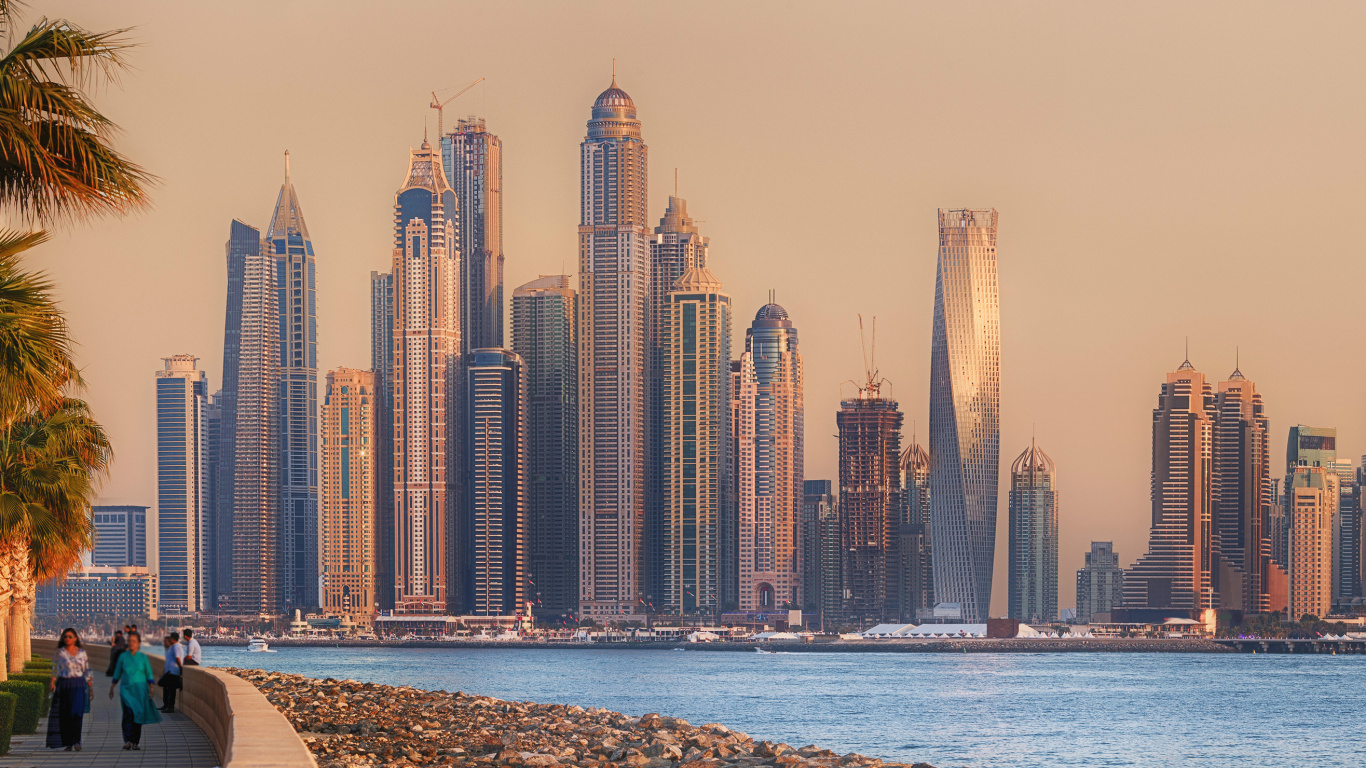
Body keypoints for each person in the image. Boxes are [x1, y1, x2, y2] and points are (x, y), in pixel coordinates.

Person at [109, 631, 160, 750]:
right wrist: (112, 687)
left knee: (137, 715)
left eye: (134, 641)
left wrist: (151, 688)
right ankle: (127, 740)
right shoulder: (123, 656)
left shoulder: (143, 658)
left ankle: (135, 741)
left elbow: (149, 674)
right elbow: (117, 672)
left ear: (139, 643)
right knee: (128, 714)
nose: (131, 643)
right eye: (130, 641)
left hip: (140, 692)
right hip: (126, 690)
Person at [47, 629, 93, 751]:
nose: (67, 638)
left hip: (78, 684)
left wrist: (90, 686)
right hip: (64, 684)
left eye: (70, 636)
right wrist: (52, 682)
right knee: (65, 714)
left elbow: (87, 670)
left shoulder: (82, 653)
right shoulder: (60, 653)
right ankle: (68, 743)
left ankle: (77, 741)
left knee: (77, 713)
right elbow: (55, 668)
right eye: (65, 636)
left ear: (75, 639)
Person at [158, 633, 185, 713]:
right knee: (167, 687)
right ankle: (167, 705)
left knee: (171, 690)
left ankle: (170, 707)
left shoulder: (176, 647)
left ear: (173, 639)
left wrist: (180, 668)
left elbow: (178, 658)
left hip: (173, 671)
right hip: (170, 671)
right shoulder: (173, 647)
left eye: (170, 638)